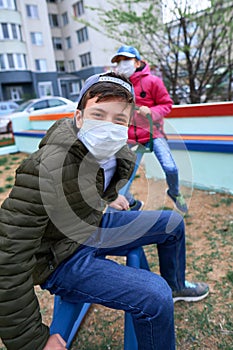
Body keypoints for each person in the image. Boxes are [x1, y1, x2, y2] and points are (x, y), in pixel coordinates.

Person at [0, 72, 209, 350]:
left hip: (91, 227)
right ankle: (163, 294)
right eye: (98, 114)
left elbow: (91, 182)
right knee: (153, 295)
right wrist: (33, 342)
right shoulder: (46, 168)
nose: (108, 126)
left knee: (171, 222)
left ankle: (176, 286)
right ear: (79, 118)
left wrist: (109, 198)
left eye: (119, 119)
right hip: (60, 260)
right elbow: (8, 259)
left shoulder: (118, 151)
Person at [111, 45, 188, 213]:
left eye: (126, 60)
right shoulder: (118, 87)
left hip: (154, 134)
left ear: (137, 63)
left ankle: (174, 193)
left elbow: (167, 104)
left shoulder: (153, 81)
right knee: (124, 180)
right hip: (131, 137)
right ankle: (131, 204)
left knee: (170, 167)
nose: (122, 64)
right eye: (119, 62)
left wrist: (151, 112)